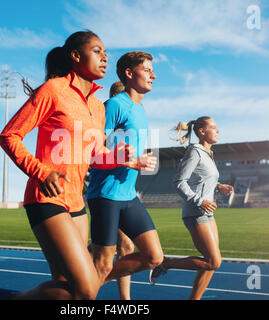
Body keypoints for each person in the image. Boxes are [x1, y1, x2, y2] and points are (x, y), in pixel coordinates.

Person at [0, 30, 136, 300]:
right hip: (46, 199)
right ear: (75, 55)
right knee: (87, 290)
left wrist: (118, 157)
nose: (105, 57)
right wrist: (40, 171)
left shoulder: (98, 106)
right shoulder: (54, 90)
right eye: (97, 51)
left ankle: (8, 299)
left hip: (77, 204)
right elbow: (9, 136)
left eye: (106, 52)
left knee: (65, 290)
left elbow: (94, 156)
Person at [87, 51, 163, 291]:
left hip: (128, 196)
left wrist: (138, 161)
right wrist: (129, 162)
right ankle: (80, 287)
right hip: (106, 195)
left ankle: (86, 282)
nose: (154, 75)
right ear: (129, 73)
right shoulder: (114, 106)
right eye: (147, 70)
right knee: (102, 265)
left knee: (154, 257)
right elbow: (90, 153)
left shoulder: (140, 110)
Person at [149, 116, 234, 300]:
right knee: (213, 261)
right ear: (201, 132)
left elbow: (202, 178)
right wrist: (199, 201)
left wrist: (219, 186)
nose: (218, 130)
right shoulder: (194, 151)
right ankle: (165, 264)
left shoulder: (208, 153)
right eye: (213, 127)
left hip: (207, 213)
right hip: (196, 212)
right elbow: (179, 181)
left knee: (210, 263)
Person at [109, 80, 136, 300]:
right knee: (124, 246)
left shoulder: (131, 124)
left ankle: (80, 276)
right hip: (109, 191)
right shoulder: (107, 119)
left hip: (127, 192)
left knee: (119, 248)